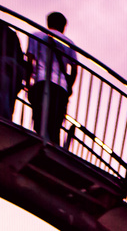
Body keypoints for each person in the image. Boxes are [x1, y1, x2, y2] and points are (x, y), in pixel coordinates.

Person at [27, 12, 77, 146]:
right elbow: (74, 69)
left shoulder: (36, 35)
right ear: (63, 26)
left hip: (41, 80)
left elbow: (30, 60)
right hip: (61, 85)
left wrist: (27, 82)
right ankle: (53, 146)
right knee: (55, 122)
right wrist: (69, 86)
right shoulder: (70, 43)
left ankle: (40, 143)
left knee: (39, 116)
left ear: (48, 22)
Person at [0, 23, 23, 124]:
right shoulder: (10, 32)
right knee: (6, 97)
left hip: (4, 65)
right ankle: (6, 120)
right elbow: (20, 57)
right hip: (11, 67)